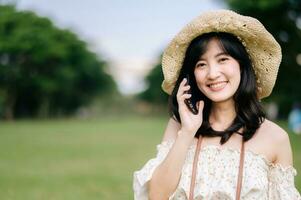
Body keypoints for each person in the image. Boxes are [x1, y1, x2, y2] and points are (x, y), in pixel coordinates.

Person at [133, 10, 301, 200]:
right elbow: (157, 196)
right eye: (201, 64)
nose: (212, 73)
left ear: (242, 66)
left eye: (223, 60)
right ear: (192, 76)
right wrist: (187, 132)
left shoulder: (276, 138)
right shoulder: (178, 126)